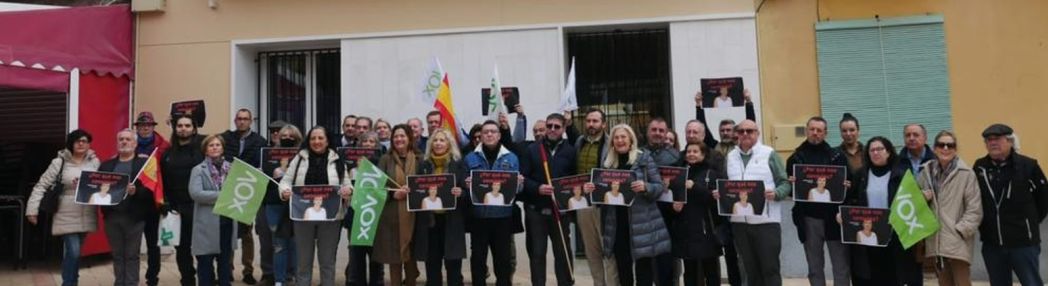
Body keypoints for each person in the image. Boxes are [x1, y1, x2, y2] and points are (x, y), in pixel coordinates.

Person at [582, 124, 670, 286]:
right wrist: (591, 190)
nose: (620, 140)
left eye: (623, 137)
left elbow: (659, 187)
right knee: (623, 268)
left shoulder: (644, 158)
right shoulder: (607, 163)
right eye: (616, 137)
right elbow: (601, 193)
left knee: (644, 269)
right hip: (616, 222)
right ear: (612, 142)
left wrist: (646, 187)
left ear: (631, 139)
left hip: (642, 222)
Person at [714, 119, 790, 286]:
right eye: (741, 131)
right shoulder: (731, 157)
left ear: (757, 133)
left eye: (750, 131)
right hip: (740, 223)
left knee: (770, 269)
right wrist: (721, 194)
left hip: (766, 222)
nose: (745, 134)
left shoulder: (769, 153)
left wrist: (776, 193)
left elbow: (785, 183)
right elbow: (727, 185)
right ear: (737, 135)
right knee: (750, 269)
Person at [973, 124, 1048, 286]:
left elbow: (1044, 200)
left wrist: (1030, 222)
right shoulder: (980, 167)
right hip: (992, 244)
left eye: (997, 139)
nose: (993, 143)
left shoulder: (1028, 166)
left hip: (1023, 243)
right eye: (988, 140)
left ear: (1009, 141)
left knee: (1032, 283)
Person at [26, 129, 101, 286]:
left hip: (87, 212)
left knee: (76, 253)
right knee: (73, 251)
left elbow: (102, 185)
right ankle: (68, 283)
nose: (81, 144)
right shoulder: (59, 162)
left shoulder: (94, 162)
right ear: (71, 143)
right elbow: (41, 186)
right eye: (77, 141)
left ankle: (72, 282)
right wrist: (32, 209)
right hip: (65, 212)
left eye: (85, 141)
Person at [279, 126, 351, 286]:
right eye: (313, 138)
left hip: (331, 216)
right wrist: (284, 191)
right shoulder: (299, 158)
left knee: (327, 262)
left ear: (327, 141)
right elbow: (286, 180)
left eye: (320, 138)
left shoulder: (337, 159)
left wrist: (348, 191)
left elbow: (346, 183)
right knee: (303, 263)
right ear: (308, 140)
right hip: (303, 216)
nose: (316, 141)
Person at [846, 136, 923, 285]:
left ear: (888, 152)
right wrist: (843, 215)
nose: (876, 153)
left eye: (880, 149)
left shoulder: (901, 174)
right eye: (872, 150)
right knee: (871, 276)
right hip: (869, 237)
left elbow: (913, 203)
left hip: (895, 237)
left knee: (893, 277)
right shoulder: (860, 175)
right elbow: (851, 201)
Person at [785, 116, 852, 286]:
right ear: (807, 130)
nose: (815, 133)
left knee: (840, 265)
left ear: (826, 133)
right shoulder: (795, 159)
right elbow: (791, 191)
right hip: (808, 218)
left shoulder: (838, 157)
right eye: (812, 129)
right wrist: (791, 184)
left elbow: (848, 186)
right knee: (814, 265)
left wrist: (847, 184)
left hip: (835, 218)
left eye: (819, 130)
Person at [916, 131, 982, 286]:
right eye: (941, 144)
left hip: (957, 241)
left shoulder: (966, 174)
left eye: (950, 145)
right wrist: (922, 198)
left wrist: (960, 231)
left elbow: (975, 209)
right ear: (934, 148)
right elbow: (913, 202)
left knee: (962, 283)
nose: (945, 148)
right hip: (936, 241)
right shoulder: (926, 172)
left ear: (955, 149)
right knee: (944, 283)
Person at [464, 120, 523, 286]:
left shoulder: (511, 158)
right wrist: (466, 184)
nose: (489, 134)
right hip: (479, 218)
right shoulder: (470, 158)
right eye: (485, 132)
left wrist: (519, 184)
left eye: (493, 132)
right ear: (481, 136)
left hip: (503, 218)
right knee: (478, 260)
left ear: (499, 135)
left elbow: (517, 191)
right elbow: (463, 187)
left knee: (503, 260)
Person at [520, 113, 577, 286]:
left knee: (563, 254)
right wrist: (537, 188)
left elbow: (575, 178)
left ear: (563, 129)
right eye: (550, 125)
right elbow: (523, 178)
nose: (552, 129)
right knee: (537, 254)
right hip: (536, 212)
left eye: (556, 126)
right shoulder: (533, 149)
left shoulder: (571, 150)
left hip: (559, 212)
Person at [412, 128, 468, 286]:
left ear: (449, 144)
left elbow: (467, 191)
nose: (438, 143)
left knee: (453, 267)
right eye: (435, 140)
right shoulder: (423, 165)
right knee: (432, 265)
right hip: (430, 222)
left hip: (452, 221)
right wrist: (413, 191)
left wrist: (461, 192)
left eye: (442, 140)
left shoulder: (458, 164)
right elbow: (418, 189)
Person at [219, 108, 268, 285]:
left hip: (248, 189)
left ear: (251, 121)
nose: (241, 122)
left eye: (245, 119)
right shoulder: (224, 138)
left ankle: (248, 271)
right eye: (239, 119)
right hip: (227, 188)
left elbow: (263, 163)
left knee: (246, 232)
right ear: (235, 120)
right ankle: (227, 269)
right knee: (228, 231)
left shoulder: (260, 141)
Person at [570, 108, 618, 286]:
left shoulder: (612, 144)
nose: (591, 124)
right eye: (588, 121)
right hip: (583, 205)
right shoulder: (579, 142)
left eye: (595, 121)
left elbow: (616, 174)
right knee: (591, 252)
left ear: (604, 124)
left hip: (604, 205)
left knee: (609, 251)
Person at [669, 142, 726, 286]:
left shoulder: (711, 173)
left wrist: (694, 187)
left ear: (703, 154)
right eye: (688, 152)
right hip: (686, 231)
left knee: (711, 271)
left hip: (706, 230)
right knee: (690, 272)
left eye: (695, 151)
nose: (691, 154)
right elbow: (674, 197)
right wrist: (674, 208)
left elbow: (714, 200)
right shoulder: (680, 173)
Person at [100, 129, 152, 286]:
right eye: (121, 139)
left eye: (128, 139)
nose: (124, 142)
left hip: (134, 217)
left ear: (135, 144)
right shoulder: (106, 164)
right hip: (112, 216)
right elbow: (97, 187)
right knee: (117, 255)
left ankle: (130, 283)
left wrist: (137, 191)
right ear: (117, 143)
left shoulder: (144, 164)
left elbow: (151, 190)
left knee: (131, 255)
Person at [189, 134, 238, 286]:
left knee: (225, 265)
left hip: (227, 221)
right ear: (205, 150)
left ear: (222, 148)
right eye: (211, 145)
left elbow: (239, 191)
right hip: (206, 224)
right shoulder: (198, 170)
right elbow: (196, 194)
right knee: (205, 266)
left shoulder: (233, 168)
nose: (215, 147)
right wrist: (223, 195)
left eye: (218, 145)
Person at [162, 115, 205, 286]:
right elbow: (164, 181)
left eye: (187, 125)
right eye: (179, 125)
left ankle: (206, 280)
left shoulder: (202, 152)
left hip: (200, 208)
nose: (183, 129)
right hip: (177, 210)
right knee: (182, 249)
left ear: (194, 129)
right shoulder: (167, 154)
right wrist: (166, 204)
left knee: (203, 250)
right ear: (175, 128)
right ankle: (187, 280)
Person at [376, 124, 421, 286]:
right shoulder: (385, 159)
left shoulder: (420, 159)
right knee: (394, 258)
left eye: (402, 136)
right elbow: (377, 187)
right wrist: (393, 194)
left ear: (410, 138)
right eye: (396, 136)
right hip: (391, 216)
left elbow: (426, 185)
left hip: (414, 217)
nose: (399, 139)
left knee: (410, 258)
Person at [263, 124, 302, 286]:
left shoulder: (303, 156)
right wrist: (282, 167)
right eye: (284, 135)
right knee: (278, 244)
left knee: (294, 243)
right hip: (274, 204)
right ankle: (279, 280)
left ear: (297, 138)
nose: (287, 138)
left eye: (291, 136)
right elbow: (267, 179)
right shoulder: (268, 155)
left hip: (297, 204)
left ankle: (291, 276)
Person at [133, 111, 169, 286]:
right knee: (133, 244)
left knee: (153, 245)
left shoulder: (164, 147)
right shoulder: (129, 146)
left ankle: (152, 278)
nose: (145, 128)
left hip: (154, 202)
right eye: (141, 125)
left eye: (148, 125)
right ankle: (132, 278)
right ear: (137, 128)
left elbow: (169, 175)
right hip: (133, 202)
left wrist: (165, 201)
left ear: (153, 127)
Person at [694, 89, 756, 160]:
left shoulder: (742, 145)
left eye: (728, 130)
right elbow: (702, 127)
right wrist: (698, 105)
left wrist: (748, 102)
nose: (725, 133)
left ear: (735, 131)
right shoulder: (714, 146)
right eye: (722, 130)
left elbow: (750, 125)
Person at [838, 113, 864, 179]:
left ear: (858, 131)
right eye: (844, 131)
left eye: (852, 130)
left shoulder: (868, 152)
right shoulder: (834, 154)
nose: (848, 134)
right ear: (840, 133)